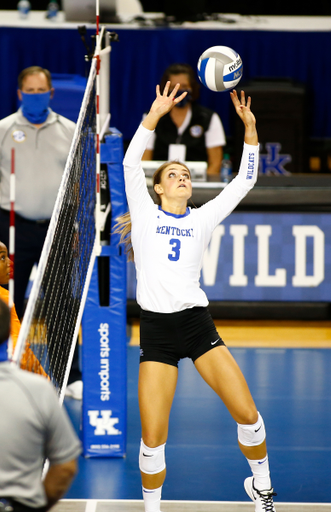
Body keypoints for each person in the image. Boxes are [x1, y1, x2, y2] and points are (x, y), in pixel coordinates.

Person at [115, 83, 276, 512]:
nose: (182, 177)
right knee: (152, 438)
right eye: (173, 175)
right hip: (157, 332)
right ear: (159, 189)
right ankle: (152, 508)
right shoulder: (146, 214)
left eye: (186, 174)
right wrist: (154, 114)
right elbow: (130, 162)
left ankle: (261, 484)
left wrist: (250, 130)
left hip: (196, 324)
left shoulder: (203, 218)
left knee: (247, 414)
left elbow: (245, 179)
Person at [0, 66, 82, 397]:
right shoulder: (3, 130)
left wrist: (75, 223)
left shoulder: (69, 130)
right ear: (20, 94)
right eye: (29, 91)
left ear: (51, 93)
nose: (35, 96)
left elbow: (80, 182)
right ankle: (8, 370)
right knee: (7, 303)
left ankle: (70, 376)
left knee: (63, 305)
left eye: (41, 91)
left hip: (58, 229)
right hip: (12, 226)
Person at [0, 297, 82, 512]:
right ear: (9, 332)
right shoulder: (37, 390)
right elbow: (65, 467)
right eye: (1, 259)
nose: (9, 261)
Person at [141, 63, 226, 175]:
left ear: (192, 88)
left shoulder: (208, 118)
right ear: (165, 89)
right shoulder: (153, 116)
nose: (179, 91)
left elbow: (215, 165)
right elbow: (144, 162)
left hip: (197, 186)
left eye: (184, 87)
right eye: (174, 88)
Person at [0, 240, 46, 376]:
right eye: (2, 258)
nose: (10, 263)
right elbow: (19, 350)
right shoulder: (4, 298)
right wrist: (44, 381)